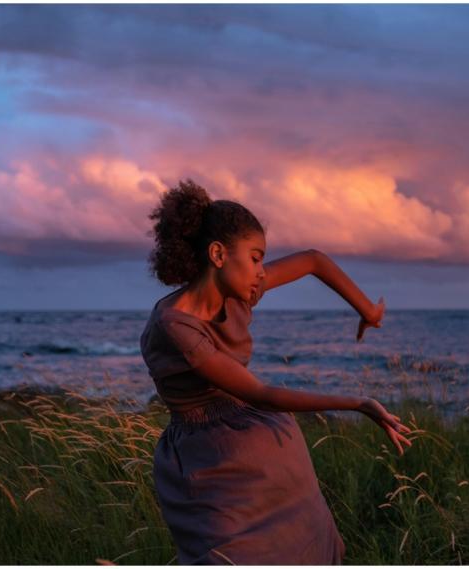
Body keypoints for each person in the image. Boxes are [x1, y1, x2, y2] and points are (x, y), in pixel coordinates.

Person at [139, 179, 413, 565]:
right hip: (214, 460)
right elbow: (260, 395)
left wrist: (367, 310)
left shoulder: (238, 292)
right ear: (218, 254)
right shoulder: (174, 324)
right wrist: (357, 403)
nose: (260, 272)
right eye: (254, 257)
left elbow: (314, 260)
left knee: (291, 546)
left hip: (260, 450)